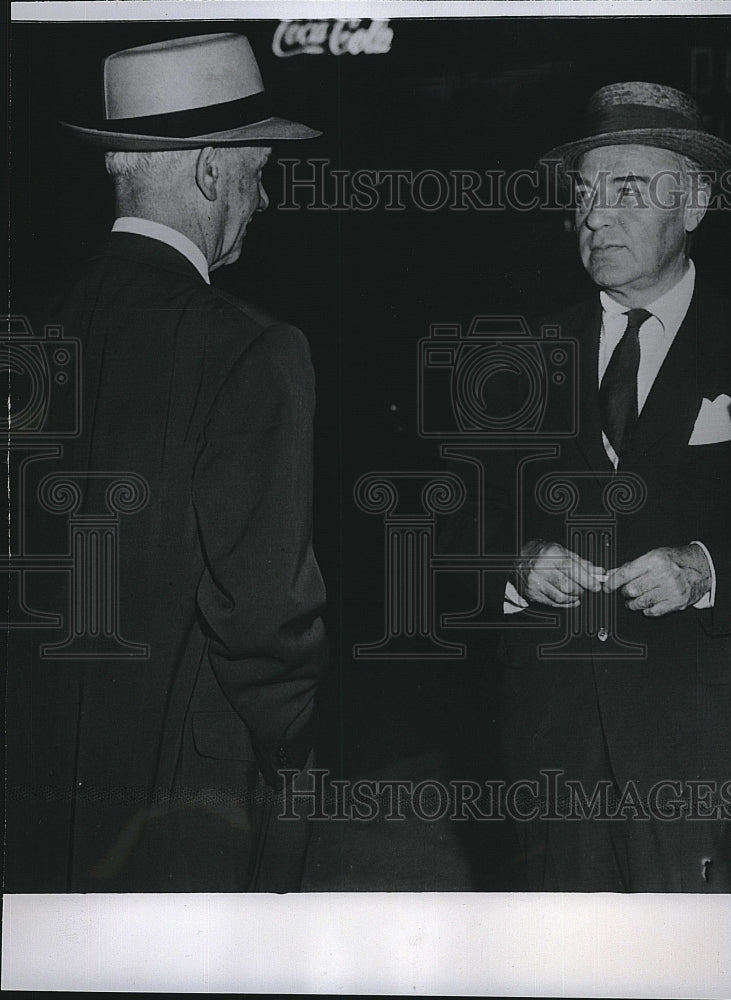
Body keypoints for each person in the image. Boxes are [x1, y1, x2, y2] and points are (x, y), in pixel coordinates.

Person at [5, 32, 327, 891]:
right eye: (259, 174)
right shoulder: (253, 348)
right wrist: (292, 748)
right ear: (213, 171)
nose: (260, 201)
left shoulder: (34, 332)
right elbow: (265, 615)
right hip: (193, 801)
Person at [451, 82, 731, 891]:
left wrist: (706, 569)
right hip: (551, 750)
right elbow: (456, 522)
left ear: (693, 204)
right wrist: (516, 565)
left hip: (706, 745)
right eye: (583, 195)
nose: (594, 217)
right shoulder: (518, 353)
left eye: (625, 191)